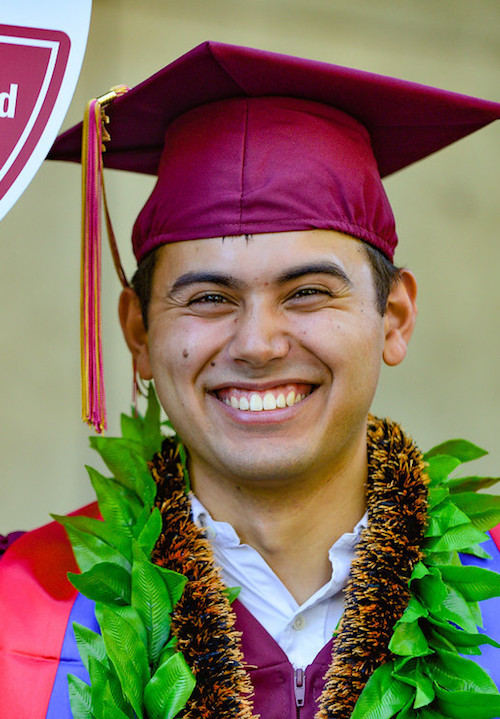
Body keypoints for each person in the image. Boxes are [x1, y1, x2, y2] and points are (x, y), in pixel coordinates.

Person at [1, 41, 500, 719]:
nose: (258, 344)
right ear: (139, 332)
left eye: (308, 292)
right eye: (208, 299)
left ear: (395, 318)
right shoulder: (21, 611)